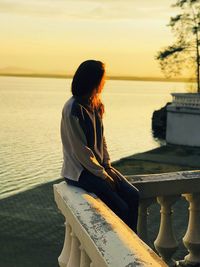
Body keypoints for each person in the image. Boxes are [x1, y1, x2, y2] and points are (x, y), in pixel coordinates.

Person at [60, 60, 139, 233]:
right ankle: (124, 247)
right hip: (79, 172)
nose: (105, 82)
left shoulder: (95, 103)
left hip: (97, 168)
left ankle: (134, 241)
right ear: (93, 80)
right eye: (102, 79)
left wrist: (107, 166)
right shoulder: (73, 109)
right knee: (121, 208)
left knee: (133, 195)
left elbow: (101, 139)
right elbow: (81, 151)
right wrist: (103, 176)